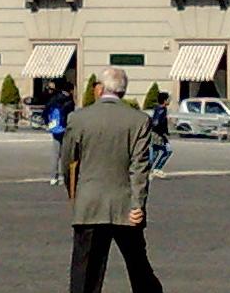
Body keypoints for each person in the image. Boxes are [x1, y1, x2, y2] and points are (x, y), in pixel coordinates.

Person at [58, 67, 165, 293]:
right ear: (123, 92)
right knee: (138, 267)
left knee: (84, 273)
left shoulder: (78, 118)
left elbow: (68, 162)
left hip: (89, 203)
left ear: (99, 89)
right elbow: (140, 167)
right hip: (125, 204)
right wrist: (139, 205)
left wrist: (74, 194)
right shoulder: (138, 120)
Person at [44, 82, 76, 185]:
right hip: (65, 128)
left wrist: (48, 123)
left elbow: (46, 110)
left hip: (55, 128)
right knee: (65, 154)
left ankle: (53, 177)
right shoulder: (69, 101)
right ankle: (63, 176)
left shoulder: (55, 98)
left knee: (55, 153)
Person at [145, 92, 173, 176]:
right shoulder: (161, 109)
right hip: (158, 134)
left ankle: (150, 169)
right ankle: (154, 168)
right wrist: (163, 132)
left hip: (158, 134)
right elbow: (156, 122)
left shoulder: (159, 108)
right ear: (164, 100)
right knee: (166, 151)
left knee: (156, 152)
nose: (169, 101)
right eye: (168, 99)